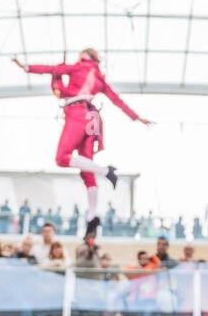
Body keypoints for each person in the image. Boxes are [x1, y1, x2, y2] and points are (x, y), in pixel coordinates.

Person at [12, 48, 152, 236]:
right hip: (92, 119)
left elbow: (51, 69)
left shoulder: (78, 67)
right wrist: (137, 117)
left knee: (62, 158)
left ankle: (106, 171)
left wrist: (26, 67)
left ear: (85, 56)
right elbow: (117, 100)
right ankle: (91, 219)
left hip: (78, 114)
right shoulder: (99, 78)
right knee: (87, 172)